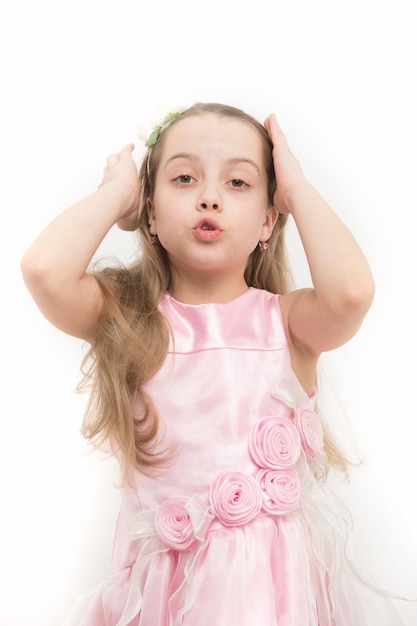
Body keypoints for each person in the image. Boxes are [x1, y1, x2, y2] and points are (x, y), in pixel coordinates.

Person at [21, 102, 405, 625]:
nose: (209, 197)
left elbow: (352, 293)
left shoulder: (285, 324)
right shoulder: (133, 322)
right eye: (183, 177)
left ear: (269, 220)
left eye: (239, 184)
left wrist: (296, 190)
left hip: (268, 597)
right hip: (162, 599)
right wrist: (115, 195)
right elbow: (44, 270)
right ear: (151, 213)